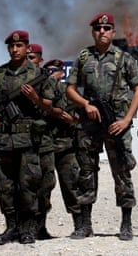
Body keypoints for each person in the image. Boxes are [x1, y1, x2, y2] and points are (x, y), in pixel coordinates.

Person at [66, 13, 138, 241]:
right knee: (86, 172)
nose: (102, 32)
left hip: (116, 123)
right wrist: (85, 104)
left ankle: (126, 223)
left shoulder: (124, 58)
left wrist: (127, 119)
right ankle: (85, 225)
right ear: (93, 32)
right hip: (90, 123)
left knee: (121, 171)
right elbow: (70, 89)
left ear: (113, 32)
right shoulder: (83, 57)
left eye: (107, 28)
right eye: (98, 29)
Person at [0, 30, 57, 245]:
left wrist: (35, 98)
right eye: (11, 46)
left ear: (27, 47)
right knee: (6, 185)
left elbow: (49, 105)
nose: (15, 50)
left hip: (28, 138)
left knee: (28, 184)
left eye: (19, 46)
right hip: (3, 139)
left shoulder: (38, 74)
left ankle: (27, 228)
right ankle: (11, 227)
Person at [43, 59, 84, 238]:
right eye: (48, 71)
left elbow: (80, 118)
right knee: (43, 186)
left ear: (61, 73)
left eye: (54, 71)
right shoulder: (41, 92)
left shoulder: (68, 93)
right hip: (44, 145)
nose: (51, 74)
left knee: (72, 185)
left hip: (66, 145)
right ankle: (39, 226)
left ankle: (80, 224)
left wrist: (72, 121)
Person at [26, 43, 58, 240]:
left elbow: (57, 111)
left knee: (46, 184)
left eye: (32, 57)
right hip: (22, 142)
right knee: (24, 185)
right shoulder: (14, 80)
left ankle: (41, 226)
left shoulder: (49, 83)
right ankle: (22, 228)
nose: (29, 60)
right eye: (27, 56)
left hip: (44, 141)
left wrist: (36, 98)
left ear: (40, 60)